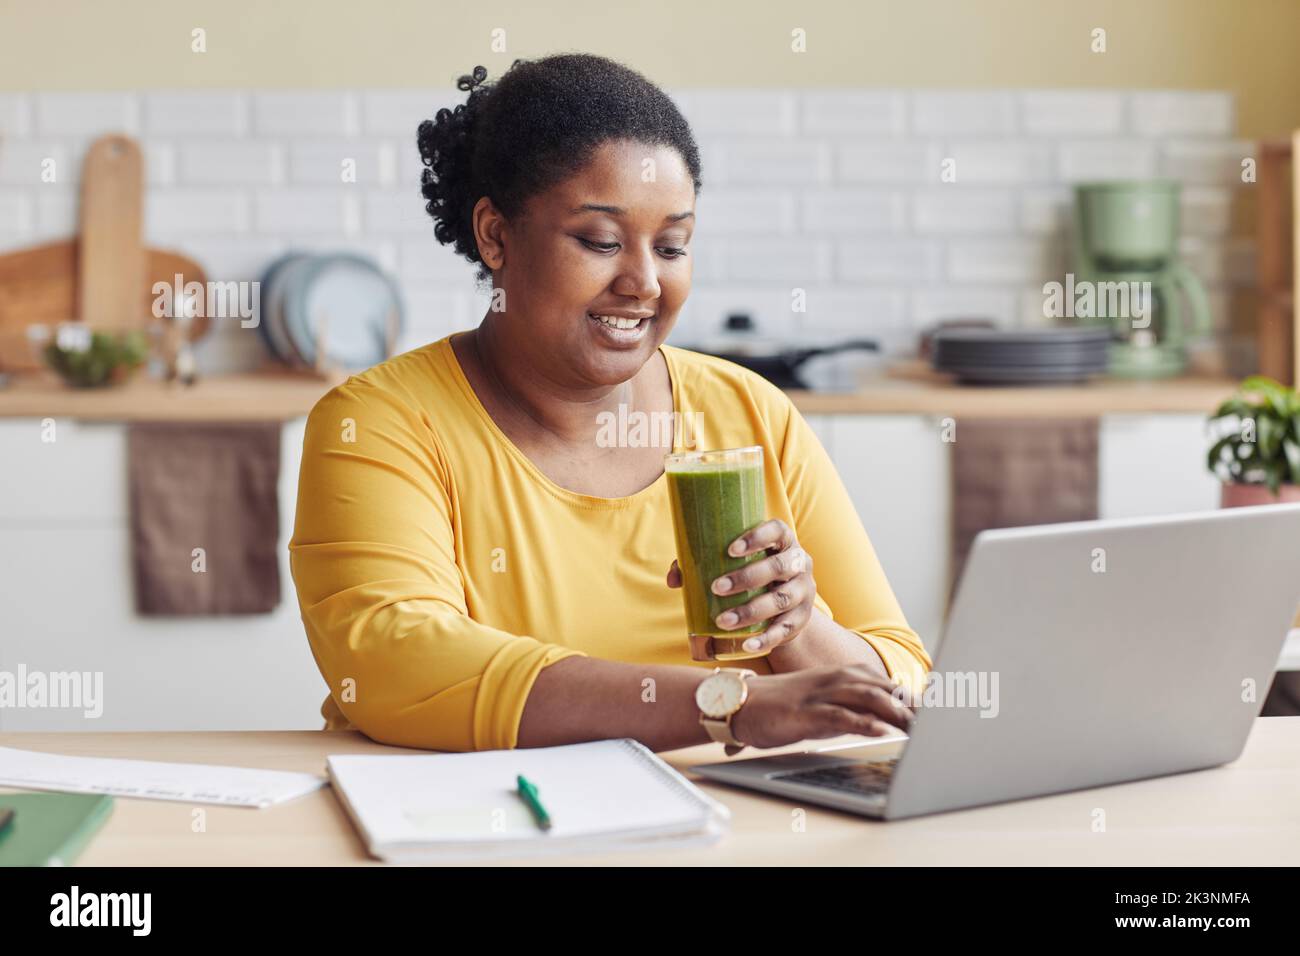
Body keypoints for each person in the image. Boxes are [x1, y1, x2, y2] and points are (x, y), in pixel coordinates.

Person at [289, 53, 930, 754]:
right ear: (495, 235)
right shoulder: (382, 423)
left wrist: (796, 625)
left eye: (673, 245)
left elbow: (900, 682)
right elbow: (398, 663)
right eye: (600, 241)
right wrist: (730, 705)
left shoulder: (749, 412)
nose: (645, 282)